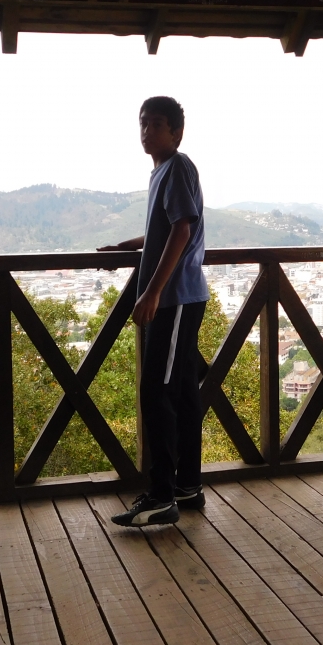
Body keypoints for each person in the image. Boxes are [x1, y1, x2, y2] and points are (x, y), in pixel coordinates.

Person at [98, 96, 209, 526]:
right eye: (143, 124)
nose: (147, 132)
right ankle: (188, 485)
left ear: (177, 131)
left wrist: (152, 293)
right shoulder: (162, 171)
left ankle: (162, 495)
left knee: (156, 391)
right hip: (180, 297)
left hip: (176, 298)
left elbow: (183, 230)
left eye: (157, 124)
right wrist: (129, 247)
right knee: (180, 391)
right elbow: (164, 230)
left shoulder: (178, 167)